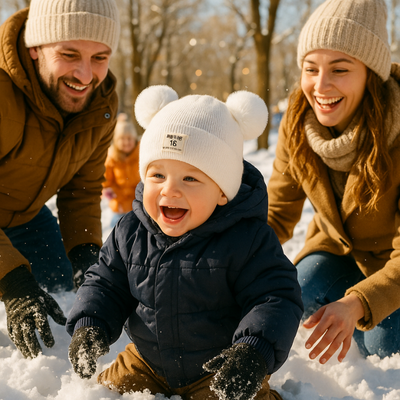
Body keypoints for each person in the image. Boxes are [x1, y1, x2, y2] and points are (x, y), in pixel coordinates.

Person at [66, 85, 303, 400]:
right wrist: (90, 321)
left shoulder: (248, 239)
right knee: (102, 396)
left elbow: (276, 298)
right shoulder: (130, 231)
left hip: (220, 368)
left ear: (222, 191)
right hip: (146, 363)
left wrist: (252, 352)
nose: (170, 190)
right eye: (158, 175)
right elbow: (105, 283)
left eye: (190, 178)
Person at [267, 0, 400, 365]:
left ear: (370, 73)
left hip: (394, 264)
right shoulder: (297, 123)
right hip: (337, 251)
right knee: (295, 297)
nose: (320, 86)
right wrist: (226, 266)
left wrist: (358, 303)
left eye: (339, 69)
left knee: (383, 348)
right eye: (311, 69)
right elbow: (276, 214)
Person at [0, 0, 120, 360]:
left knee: (63, 283)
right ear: (36, 49)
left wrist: (86, 257)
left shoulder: (101, 105)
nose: (85, 76)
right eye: (70, 54)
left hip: (24, 217)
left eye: (100, 57)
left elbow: (81, 190)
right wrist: (13, 281)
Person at [102, 113, 141, 227]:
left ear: (134, 138)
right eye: (122, 139)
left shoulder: (140, 155)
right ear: (116, 140)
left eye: (129, 138)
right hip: (120, 205)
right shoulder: (112, 158)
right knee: (117, 229)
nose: (126, 142)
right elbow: (107, 181)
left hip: (138, 204)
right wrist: (113, 192)